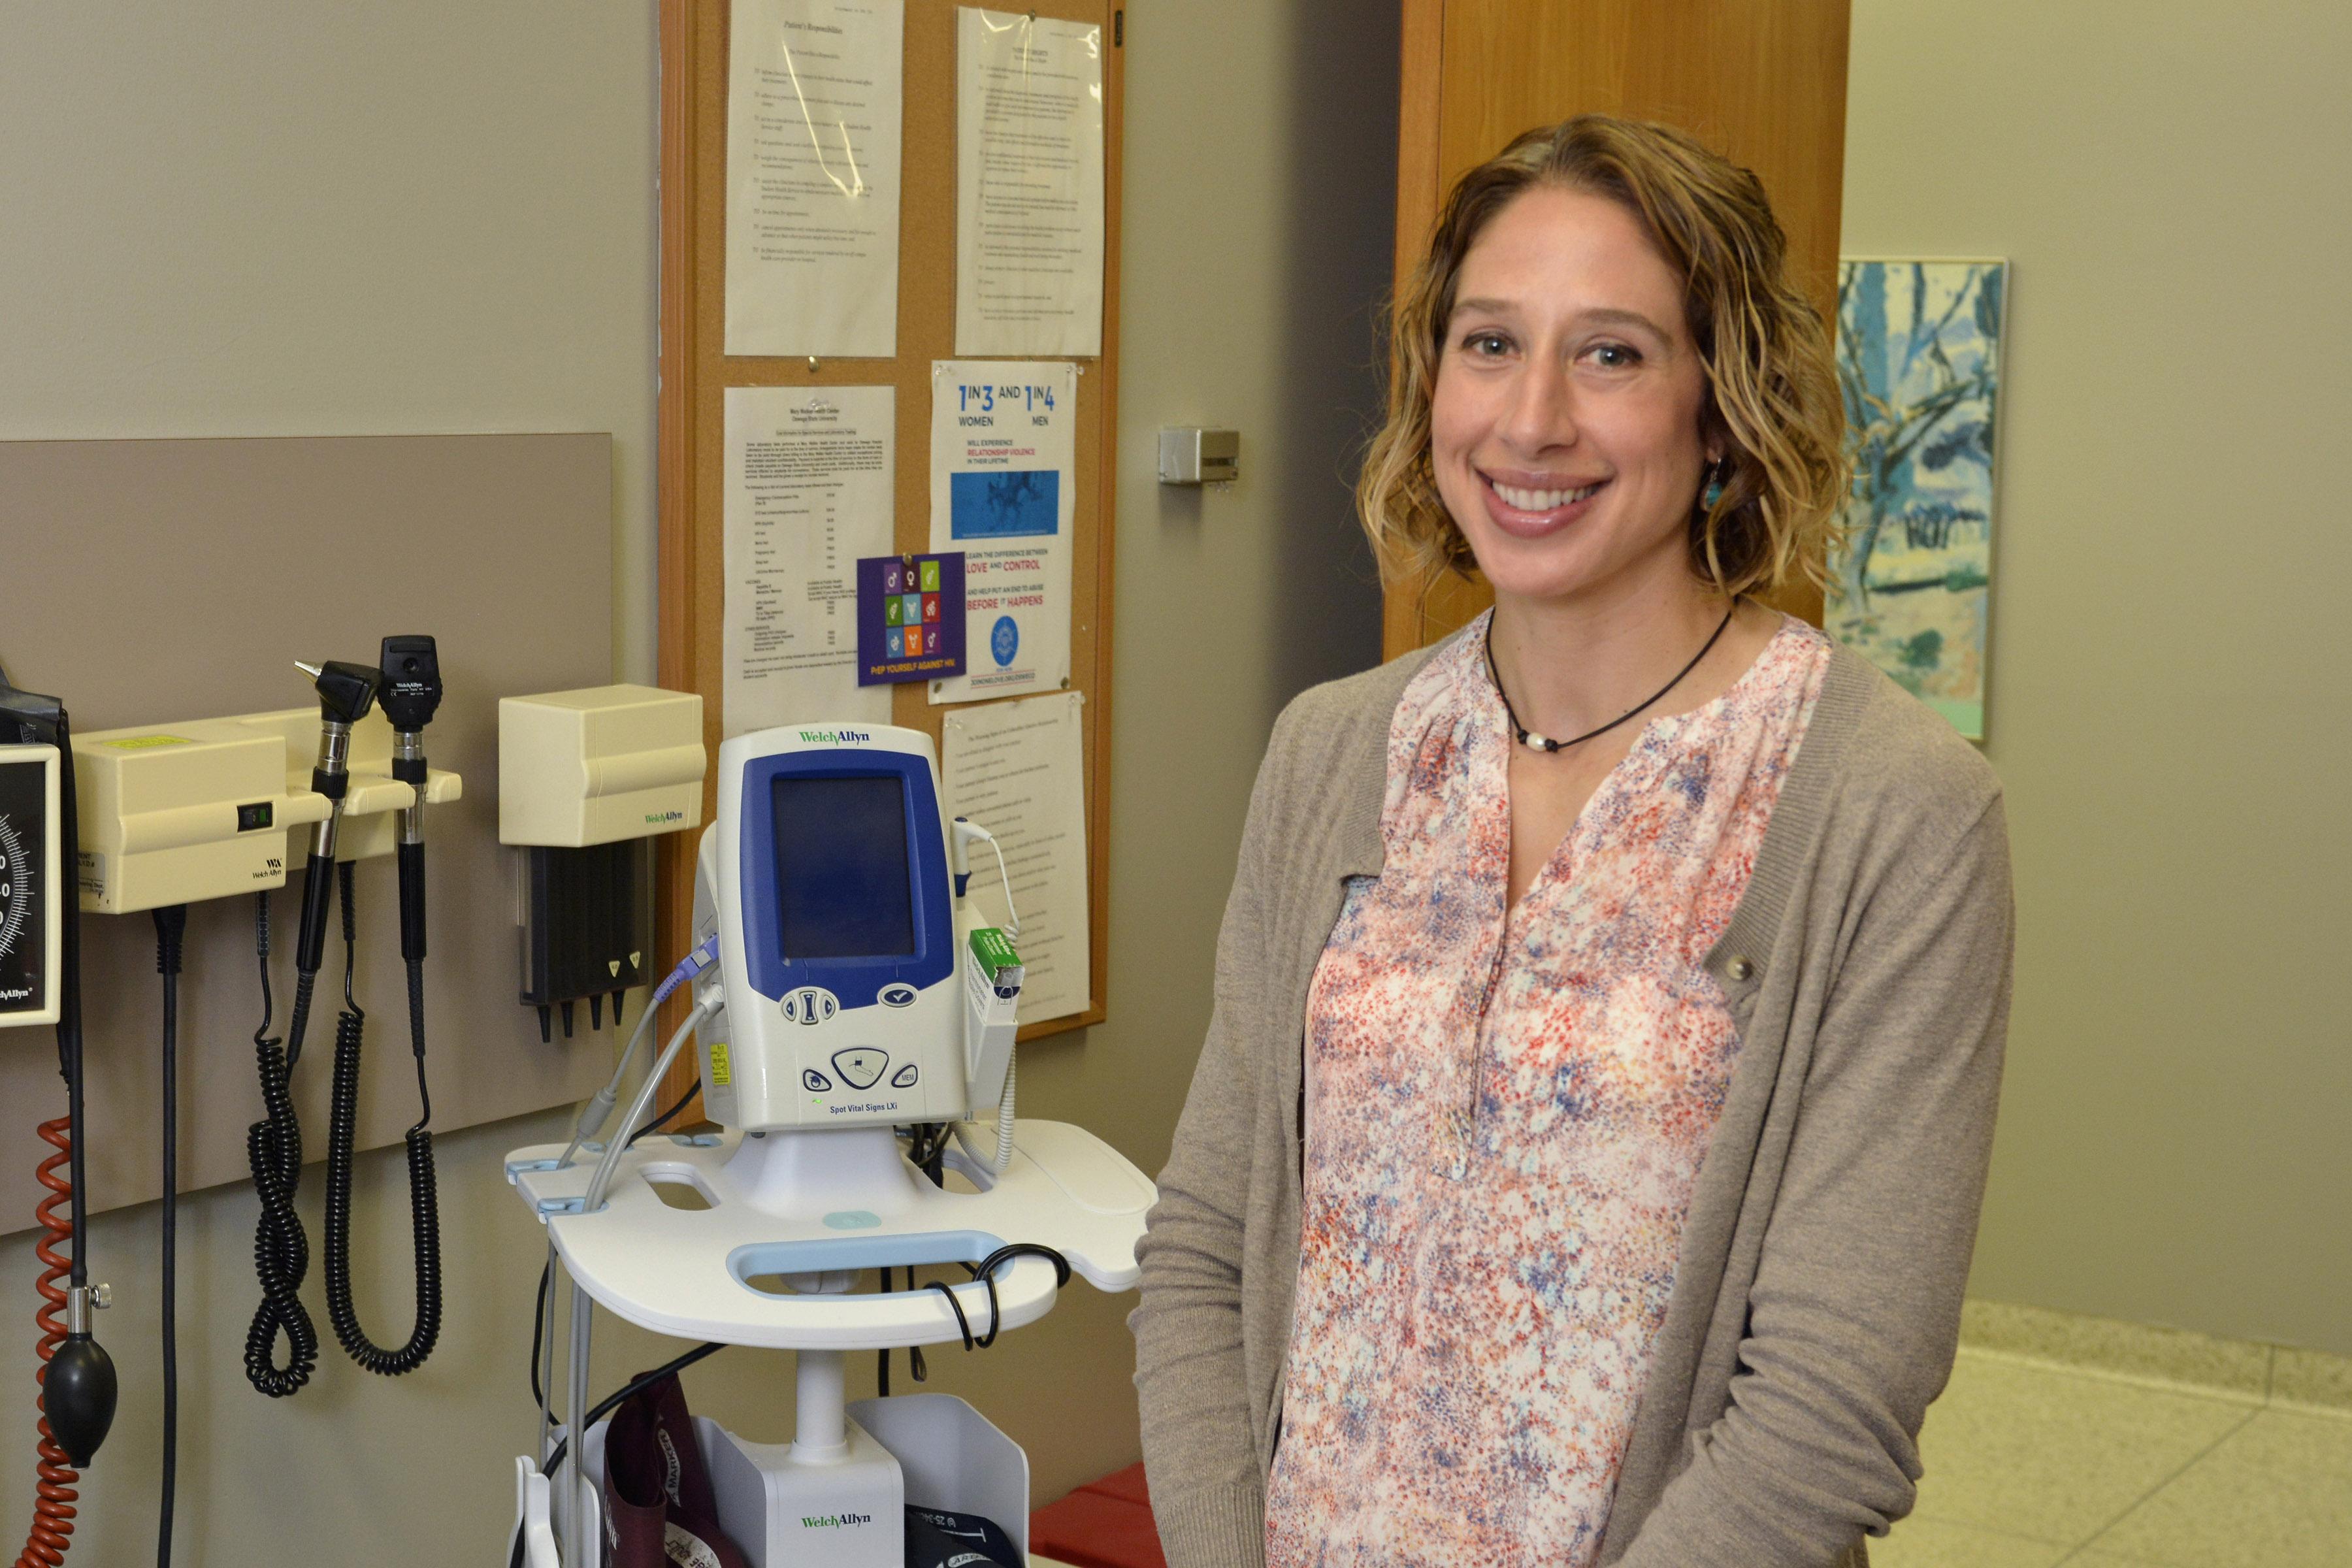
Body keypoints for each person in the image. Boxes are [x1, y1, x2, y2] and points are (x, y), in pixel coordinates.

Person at [1130, 115, 2013, 1568]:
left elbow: (1830, 1412)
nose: (1531, 420)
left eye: (1611, 353)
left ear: (1718, 405)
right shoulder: (1335, 752)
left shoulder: (1892, 813)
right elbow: (1204, 1250)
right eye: (1489, 344)